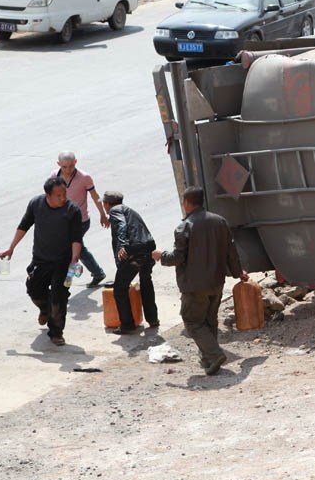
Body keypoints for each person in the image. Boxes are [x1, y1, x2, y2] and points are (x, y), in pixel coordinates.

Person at [153, 187, 248, 376]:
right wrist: (239, 273)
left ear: (187, 203)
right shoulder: (220, 221)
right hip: (216, 283)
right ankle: (208, 359)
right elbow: (231, 252)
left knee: (192, 321)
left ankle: (214, 355)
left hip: (194, 286)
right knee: (209, 320)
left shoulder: (184, 227)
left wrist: (160, 256)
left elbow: (177, 258)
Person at [0, 176, 84, 346]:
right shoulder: (36, 204)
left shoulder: (72, 210)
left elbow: (76, 238)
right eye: (58, 195)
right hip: (41, 259)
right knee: (33, 289)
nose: (63, 198)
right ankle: (45, 309)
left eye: (64, 194)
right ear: (48, 195)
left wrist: (74, 258)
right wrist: (11, 247)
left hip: (64, 262)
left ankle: (56, 332)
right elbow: (24, 225)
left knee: (59, 298)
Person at [103, 190, 160, 335]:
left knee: (120, 288)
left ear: (107, 204)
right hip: (148, 248)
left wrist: (123, 245)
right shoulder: (130, 211)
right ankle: (153, 319)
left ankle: (127, 324)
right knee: (146, 281)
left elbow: (122, 226)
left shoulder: (115, 211)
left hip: (133, 252)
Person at [51, 151, 109, 288]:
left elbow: (95, 197)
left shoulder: (84, 177)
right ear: (59, 164)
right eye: (64, 167)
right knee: (78, 249)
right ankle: (94, 273)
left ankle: (68, 279)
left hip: (80, 221)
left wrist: (103, 214)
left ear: (75, 162)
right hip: (63, 221)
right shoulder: (54, 176)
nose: (68, 170)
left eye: (70, 166)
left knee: (72, 249)